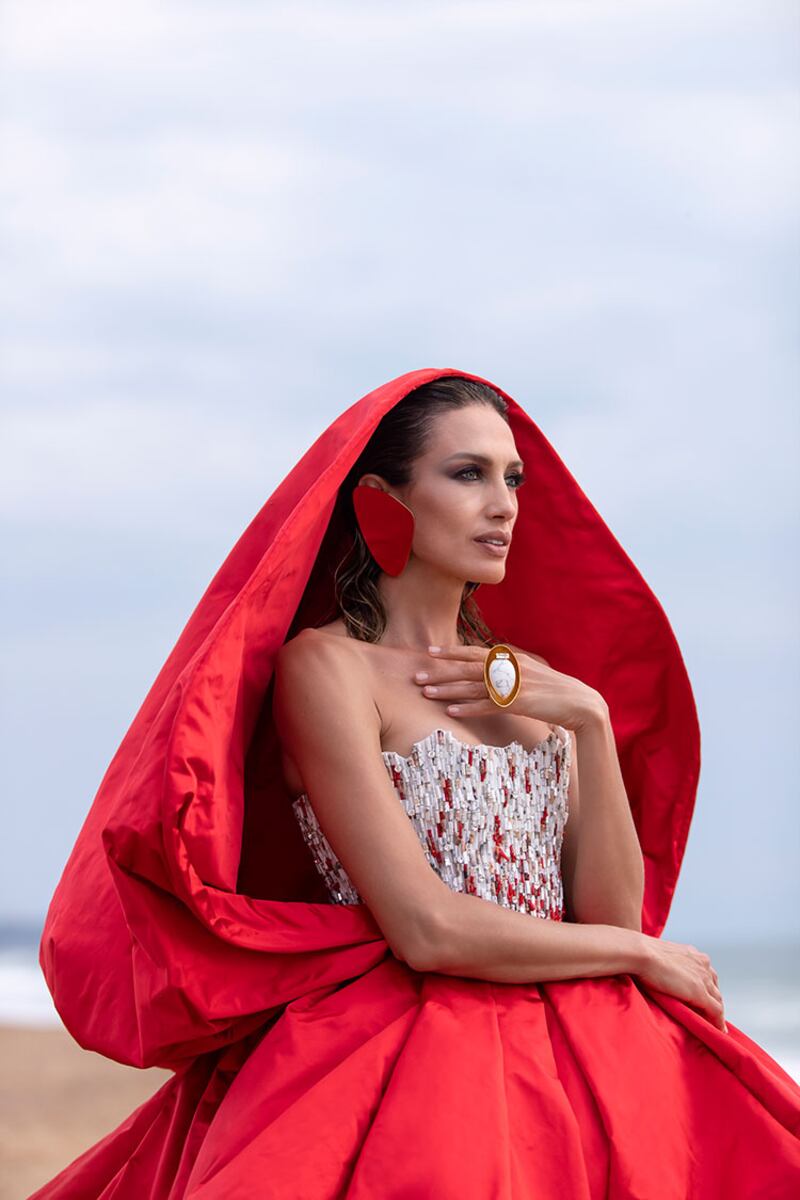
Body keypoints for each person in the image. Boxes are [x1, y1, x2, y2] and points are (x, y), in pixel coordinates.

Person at [30, 369, 800, 1199]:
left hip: (588, 1044)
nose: (503, 503)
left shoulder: (535, 680)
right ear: (381, 500)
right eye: (467, 474)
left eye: (513, 479)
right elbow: (426, 929)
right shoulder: (326, 668)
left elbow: (605, 914)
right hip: (411, 1048)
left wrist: (591, 721)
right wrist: (642, 953)